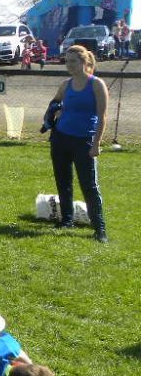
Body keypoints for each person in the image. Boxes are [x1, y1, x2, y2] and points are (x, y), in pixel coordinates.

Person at [47, 44, 109, 242]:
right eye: (67, 61)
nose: (69, 65)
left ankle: (99, 229)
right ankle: (67, 220)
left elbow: (102, 117)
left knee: (89, 186)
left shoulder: (96, 84)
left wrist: (96, 143)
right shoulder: (65, 84)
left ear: (84, 61)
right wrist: (54, 111)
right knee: (63, 181)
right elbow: (54, 102)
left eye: (73, 61)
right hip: (61, 138)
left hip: (84, 141)